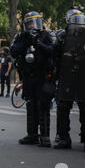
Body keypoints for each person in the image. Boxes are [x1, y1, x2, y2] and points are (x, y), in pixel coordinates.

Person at [54, 11, 85, 152]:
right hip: (67, 77)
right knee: (63, 106)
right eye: (74, 21)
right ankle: (63, 138)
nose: (77, 24)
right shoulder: (63, 37)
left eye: (79, 21)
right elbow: (55, 56)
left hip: (84, 77)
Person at [11, 11, 56, 147]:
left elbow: (53, 50)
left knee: (43, 105)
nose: (31, 26)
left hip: (43, 76)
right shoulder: (21, 36)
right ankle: (32, 135)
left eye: (33, 22)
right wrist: (26, 41)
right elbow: (14, 51)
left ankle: (45, 136)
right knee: (30, 105)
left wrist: (38, 43)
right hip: (29, 77)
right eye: (29, 23)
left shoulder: (47, 34)